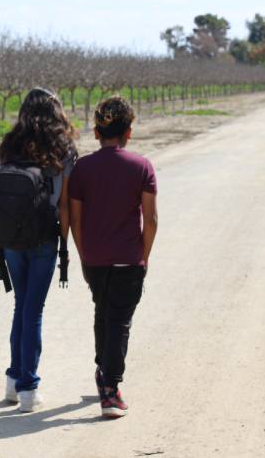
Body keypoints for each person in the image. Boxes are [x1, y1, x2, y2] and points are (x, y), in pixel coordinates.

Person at [68, 95, 158, 418]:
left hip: (94, 258)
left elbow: (75, 219)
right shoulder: (142, 167)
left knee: (103, 312)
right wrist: (142, 256)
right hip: (127, 258)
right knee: (119, 320)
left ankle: (101, 372)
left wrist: (83, 254)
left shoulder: (82, 169)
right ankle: (110, 389)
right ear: (129, 132)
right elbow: (152, 219)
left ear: (96, 133)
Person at [0, 87, 77, 413]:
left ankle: (14, 380)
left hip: (11, 237)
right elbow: (66, 204)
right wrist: (66, 245)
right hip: (44, 237)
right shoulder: (64, 149)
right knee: (34, 311)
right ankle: (28, 387)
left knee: (21, 306)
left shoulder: (9, 145)